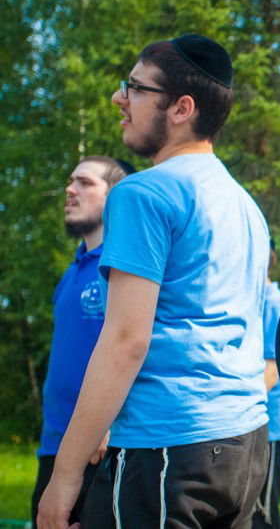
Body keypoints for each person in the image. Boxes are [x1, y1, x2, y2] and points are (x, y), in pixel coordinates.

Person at [37, 34, 271, 529]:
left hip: (167, 451)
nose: (119, 99)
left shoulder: (143, 193)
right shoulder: (243, 204)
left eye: (135, 88)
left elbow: (126, 341)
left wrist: (64, 475)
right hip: (245, 445)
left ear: (181, 108)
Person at [30, 156, 128, 528]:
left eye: (85, 183)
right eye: (71, 181)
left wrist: (110, 424)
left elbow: (139, 346)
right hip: (53, 448)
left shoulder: (125, 267)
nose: (70, 190)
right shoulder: (72, 273)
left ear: (115, 196)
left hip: (101, 451)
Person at [253, 239, 280, 529]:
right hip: (252, 426)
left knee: (264, 514)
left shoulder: (275, 304)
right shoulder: (249, 304)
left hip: (271, 428)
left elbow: (272, 370)